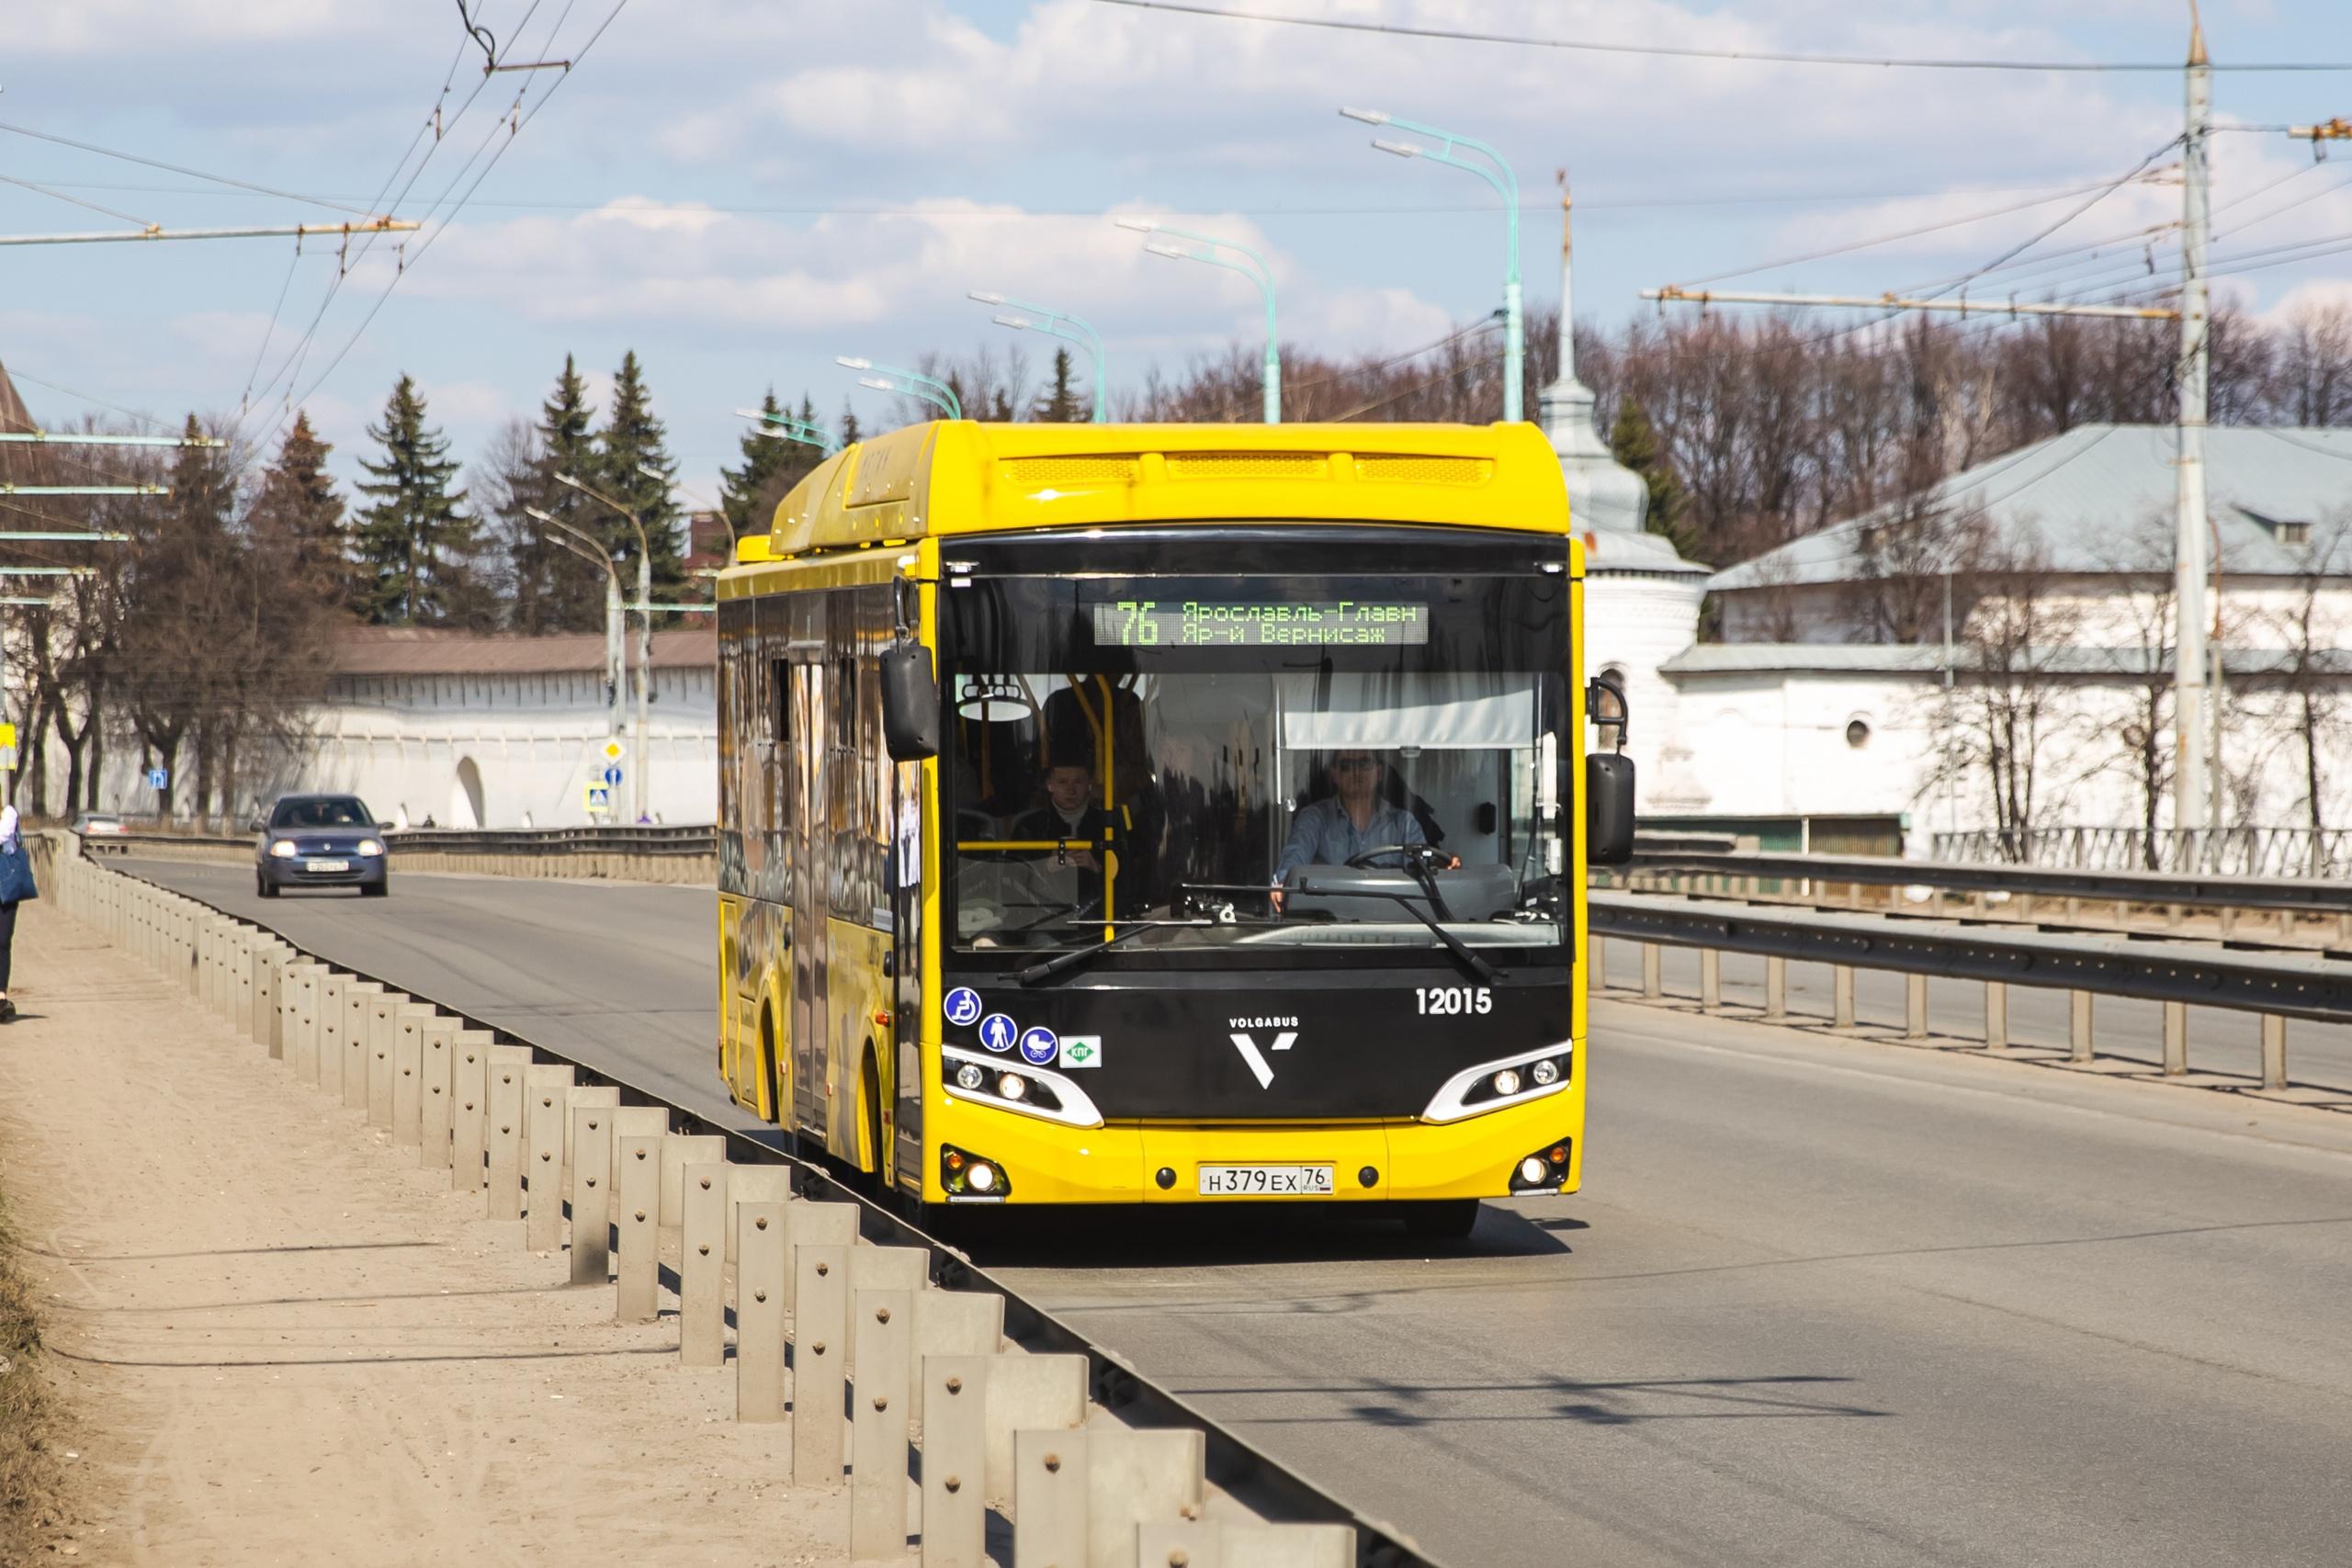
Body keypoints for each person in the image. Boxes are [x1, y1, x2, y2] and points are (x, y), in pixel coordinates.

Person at [1272, 749, 1456, 912]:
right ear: (1333, 775)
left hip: (1392, 924)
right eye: (1346, 765)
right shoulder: (1314, 818)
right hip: (1329, 924)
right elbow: (1295, 854)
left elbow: (1421, 870)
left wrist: (1440, 866)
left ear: (1379, 771)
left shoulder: (1403, 822)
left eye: (1364, 763)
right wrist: (1284, 882)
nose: (1356, 771)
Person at [0, 802, 22, 1023]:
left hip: (6, 887)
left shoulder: (8, 814)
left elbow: (3, 834)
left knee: (3, 941)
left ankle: (1, 997)